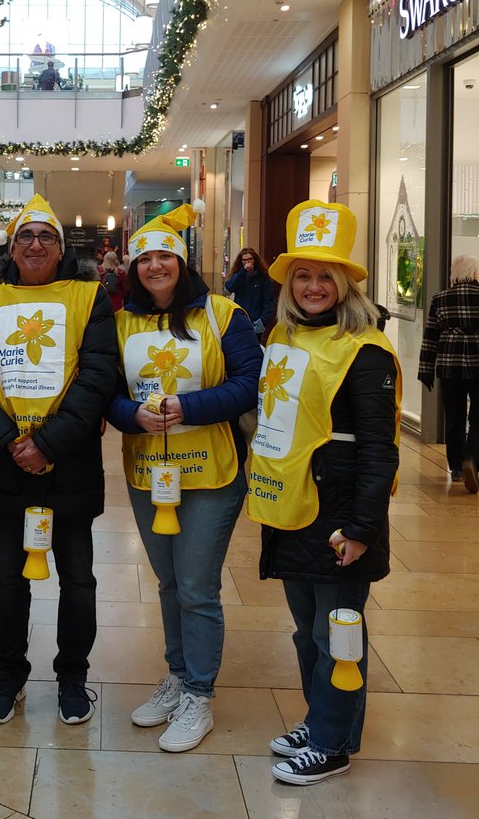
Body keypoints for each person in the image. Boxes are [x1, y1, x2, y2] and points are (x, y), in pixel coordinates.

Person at [248, 200, 400, 785]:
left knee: (336, 629)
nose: (313, 287)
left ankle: (334, 742)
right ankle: (321, 719)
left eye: (325, 277)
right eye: (303, 276)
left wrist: (362, 528)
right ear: (289, 284)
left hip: (339, 513)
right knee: (304, 626)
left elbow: (379, 449)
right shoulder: (282, 337)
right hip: (292, 507)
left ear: (344, 286)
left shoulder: (366, 352)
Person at [107, 205, 261, 752]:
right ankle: (177, 675)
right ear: (133, 269)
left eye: (163, 256)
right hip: (149, 472)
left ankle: (199, 692)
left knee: (197, 587)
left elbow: (249, 385)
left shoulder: (224, 316)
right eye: (144, 258)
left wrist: (188, 407)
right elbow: (107, 394)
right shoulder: (120, 321)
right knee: (168, 582)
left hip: (212, 474)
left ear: (182, 262)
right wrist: (133, 416)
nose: (154, 266)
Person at [0, 194, 118, 725]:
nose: (35, 244)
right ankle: (9, 674)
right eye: (26, 235)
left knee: (78, 578)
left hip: (71, 463)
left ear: (60, 249)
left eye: (46, 236)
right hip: (6, 463)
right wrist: (13, 441)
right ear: (12, 246)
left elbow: (99, 377)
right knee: (9, 577)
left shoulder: (89, 296)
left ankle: (73, 676)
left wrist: (47, 443)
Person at [418, 254, 479, 492]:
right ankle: (472, 459)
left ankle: (455, 468)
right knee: (477, 417)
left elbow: (431, 336)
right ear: (475, 273)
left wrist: (426, 370)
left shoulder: (440, 299)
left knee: (453, 415)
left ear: (455, 273)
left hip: (449, 363)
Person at [225, 247, 277, 340]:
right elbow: (229, 287)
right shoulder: (239, 275)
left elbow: (269, 300)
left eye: (250, 259)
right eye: (244, 260)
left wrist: (263, 321)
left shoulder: (262, 277)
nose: (247, 262)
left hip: (256, 321)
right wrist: (242, 272)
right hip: (240, 320)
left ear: (255, 260)